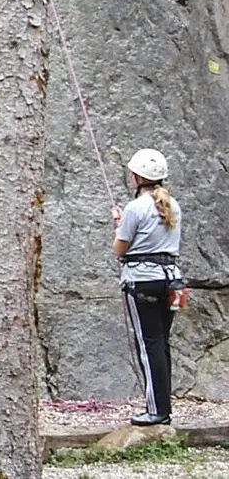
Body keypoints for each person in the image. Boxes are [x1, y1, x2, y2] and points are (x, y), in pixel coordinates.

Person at [111, 148, 183, 426]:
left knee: (148, 344)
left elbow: (120, 249)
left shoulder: (134, 208)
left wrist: (119, 226)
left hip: (142, 280)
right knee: (161, 343)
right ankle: (163, 407)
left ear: (137, 177)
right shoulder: (172, 205)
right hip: (171, 278)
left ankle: (157, 410)